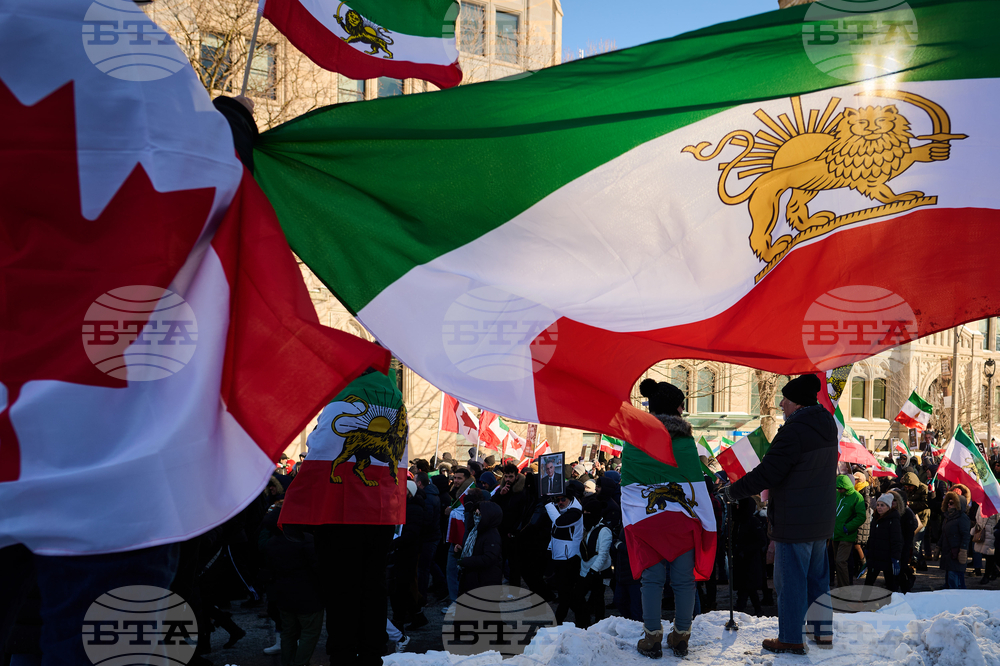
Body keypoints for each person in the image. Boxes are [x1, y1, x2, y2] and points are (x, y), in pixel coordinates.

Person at [721, 374, 838, 654]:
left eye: (785, 399)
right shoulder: (826, 424)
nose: (781, 404)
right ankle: (821, 633)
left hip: (794, 520)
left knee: (791, 582)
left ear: (797, 402)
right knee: (817, 579)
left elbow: (768, 472)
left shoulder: (794, 430)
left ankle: (790, 638)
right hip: (820, 519)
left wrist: (732, 491)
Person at [633, 379, 702, 659]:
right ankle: (681, 636)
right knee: (684, 580)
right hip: (681, 520)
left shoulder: (636, 441)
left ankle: (651, 637)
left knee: (651, 579)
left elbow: (629, 486)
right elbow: (694, 482)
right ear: (677, 409)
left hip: (648, 519)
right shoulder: (686, 443)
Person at [545, 482, 585, 624]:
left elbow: (559, 523)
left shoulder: (575, 511)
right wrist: (550, 549)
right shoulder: (564, 509)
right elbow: (555, 532)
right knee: (566, 593)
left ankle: (563, 620)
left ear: (570, 499)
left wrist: (548, 504)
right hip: (560, 556)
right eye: (557, 500)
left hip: (569, 558)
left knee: (565, 593)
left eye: (563, 499)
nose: (560, 503)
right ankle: (581, 619)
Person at [577, 498, 613, 628]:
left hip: (598, 572)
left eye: (588, 513)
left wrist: (593, 570)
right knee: (580, 597)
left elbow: (603, 554)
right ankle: (584, 623)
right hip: (585, 570)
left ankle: (598, 625)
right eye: (584, 512)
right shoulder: (587, 528)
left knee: (598, 600)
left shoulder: (604, 531)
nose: (585, 516)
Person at [457, 502, 504, 595]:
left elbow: (489, 558)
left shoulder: (491, 535)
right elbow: (476, 551)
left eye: (479, 514)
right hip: (475, 580)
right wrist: (461, 552)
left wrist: (465, 561)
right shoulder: (476, 531)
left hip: (485, 584)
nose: (476, 517)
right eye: (475, 514)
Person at [864, 493, 902, 592]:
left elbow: (896, 539)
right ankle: (862, 603)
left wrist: (895, 558)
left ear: (888, 507)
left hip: (887, 557)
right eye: (878, 505)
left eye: (882, 505)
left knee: (890, 583)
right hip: (875, 556)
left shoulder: (893, 520)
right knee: (868, 582)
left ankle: (893, 603)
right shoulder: (875, 518)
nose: (879, 507)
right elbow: (871, 537)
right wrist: (868, 549)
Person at [833, 474, 866, 587]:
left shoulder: (857, 497)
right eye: (838, 488)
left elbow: (861, 516)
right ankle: (842, 587)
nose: (839, 490)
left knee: (840, 562)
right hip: (835, 534)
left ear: (846, 486)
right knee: (838, 563)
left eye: (841, 488)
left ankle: (845, 589)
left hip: (846, 535)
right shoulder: (838, 494)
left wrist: (847, 527)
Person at [939, 491, 971, 589]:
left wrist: (963, 551)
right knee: (950, 575)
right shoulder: (948, 517)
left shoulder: (962, 518)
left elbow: (966, 535)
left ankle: (957, 596)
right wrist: (938, 546)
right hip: (948, 552)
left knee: (955, 577)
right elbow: (943, 533)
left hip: (956, 553)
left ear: (958, 505)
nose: (949, 505)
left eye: (952, 503)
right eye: (948, 502)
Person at [889, 490, 919, 593]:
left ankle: (905, 586)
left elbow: (909, 533)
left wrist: (905, 548)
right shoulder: (887, 512)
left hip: (903, 546)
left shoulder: (906, 513)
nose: (892, 502)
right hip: (892, 546)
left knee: (901, 569)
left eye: (894, 500)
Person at [974, 504, 999, 585]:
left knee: (990, 555)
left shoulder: (997, 504)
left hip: (992, 533)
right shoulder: (982, 504)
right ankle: (994, 571)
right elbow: (977, 516)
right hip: (983, 532)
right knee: (984, 553)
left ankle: (987, 575)